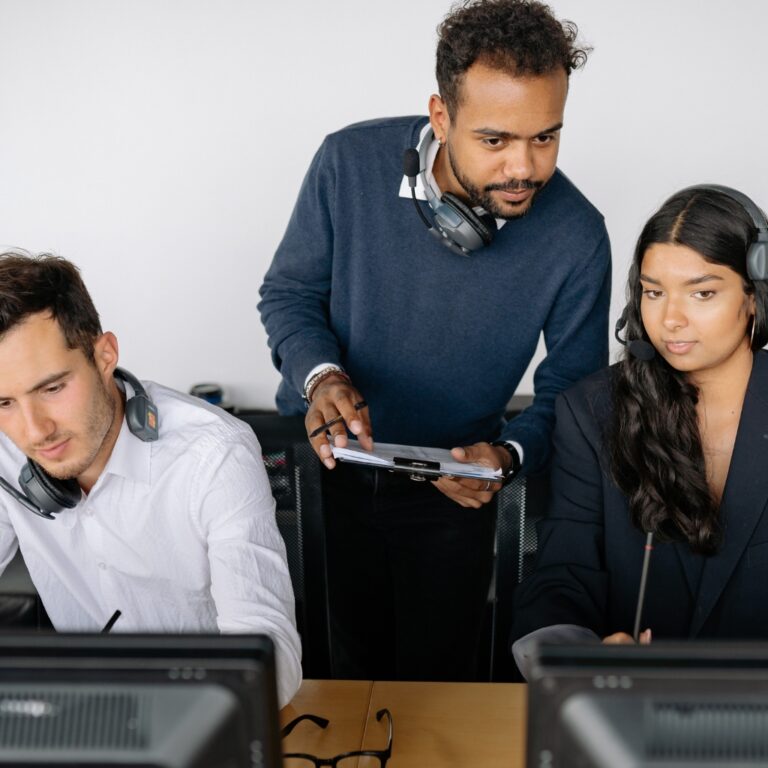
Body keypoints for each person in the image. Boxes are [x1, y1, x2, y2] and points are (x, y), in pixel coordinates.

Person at [258, 0, 611, 681]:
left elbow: (571, 394)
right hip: (330, 477)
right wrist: (322, 376)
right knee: (330, 677)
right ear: (441, 117)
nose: (525, 167)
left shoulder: (576, 235)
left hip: (455, 494)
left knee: (439, 685)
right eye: (496, 140)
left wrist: (503, 459)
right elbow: (289, 294)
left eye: (546, 137)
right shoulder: (347, 162)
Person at [0, 252, 302, 706]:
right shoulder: (7, 447)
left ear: (104, 356)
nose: (35, 430)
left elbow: (269, 659)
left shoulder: (214, 455)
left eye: (53, 388)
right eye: (4, 403)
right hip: (83, 717)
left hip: (201, 717)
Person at [511, 186, 768, 677]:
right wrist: (580, 657)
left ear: (754, 297)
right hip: (630, 720)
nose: (669, 319)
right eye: (653, 292)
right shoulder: (593, 412)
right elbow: (560, 579)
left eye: (702, 293)